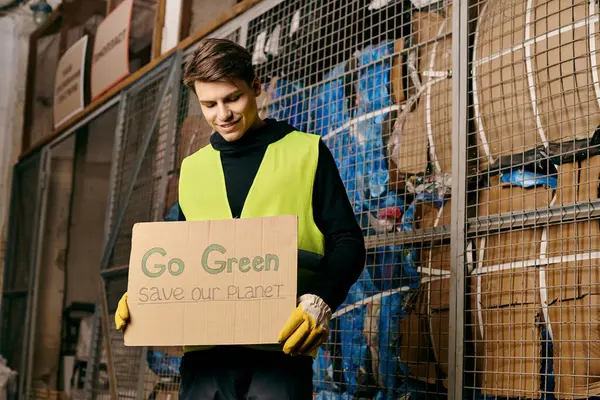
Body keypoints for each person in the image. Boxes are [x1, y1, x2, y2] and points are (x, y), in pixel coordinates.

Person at [114, 38, 366, 399]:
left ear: (256, 88)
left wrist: (321, 300)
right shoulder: (194, 169)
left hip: (279, 352)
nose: (222, 115)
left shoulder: (306, 152)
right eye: (209, 104)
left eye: (233, 98)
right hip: (205, 360)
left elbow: (347, 241)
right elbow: (181, 261)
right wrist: (144, 295)